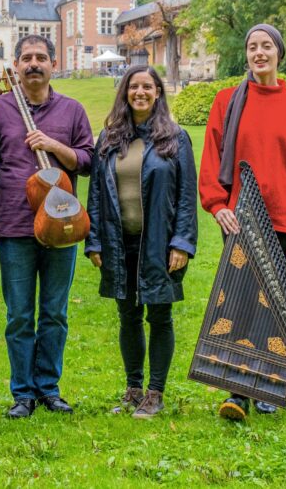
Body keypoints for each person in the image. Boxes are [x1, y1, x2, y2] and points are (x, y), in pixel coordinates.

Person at [198, 23, 286, 420]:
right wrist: (217, 204)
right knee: (238, 299)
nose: (259, 53)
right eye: (252, 47)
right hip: (238, 216)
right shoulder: (227, 101)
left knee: (271, 303)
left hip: (282, 217)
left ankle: (268, 385)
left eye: (266, 46)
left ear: (278, 53)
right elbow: (211, 158)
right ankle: (238, 391)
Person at [0, 34, 94, 418]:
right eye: (27, 58)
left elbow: (88, 160)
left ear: (53, 64)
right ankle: (23, 394)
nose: (34, 63)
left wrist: (54, 145)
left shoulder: (72, 110)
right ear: (16, 65)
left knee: (54, 311)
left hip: (62, 223)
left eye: (41, 58)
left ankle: (48, 387)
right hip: (15, 224)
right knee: (18, 314)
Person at [85, 65, 198, 419]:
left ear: (158, 92)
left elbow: (185, 197)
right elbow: (96, 194)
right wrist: (95, 242)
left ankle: (156, 393)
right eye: (133, 87)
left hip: (160, 244)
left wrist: (182, 242)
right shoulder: (109, 139)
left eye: (147, 86)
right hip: (120, 242)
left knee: (159, 316)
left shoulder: (175, 138)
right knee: (128, 315)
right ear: (125, 92)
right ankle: (133, 389)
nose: (140, 92)